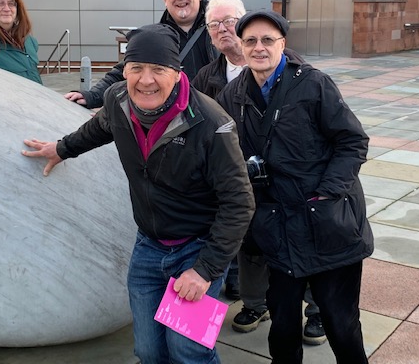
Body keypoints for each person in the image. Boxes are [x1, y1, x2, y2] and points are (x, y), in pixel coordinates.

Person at [22, 23, 255, 364]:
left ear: (176, 73)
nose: (146, 80)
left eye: (158, 69)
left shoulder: (211, 123)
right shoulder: (118, 100)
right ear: (125, 71)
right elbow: (98, 128)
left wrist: (205, 270)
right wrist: (61, 149)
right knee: (148, 351)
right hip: (148, 246)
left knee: (189, 352)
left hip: (197, 249)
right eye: (136, 68)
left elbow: (240, 203)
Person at [216, 9, 373, 363]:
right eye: (250, 40)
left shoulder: (314, 84)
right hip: (276, 229)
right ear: (241, 46)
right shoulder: (232, 94)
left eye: (267, 40)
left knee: (341, 324)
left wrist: (328, 193)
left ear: (283, 44)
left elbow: (353, 141)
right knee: (283, 327)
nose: (259, 47)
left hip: (327, 225)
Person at [194, 0, 325, 341]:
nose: (222, 29)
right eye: (214, 25)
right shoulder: (209, 77)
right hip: (245, 182)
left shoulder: (301, 75)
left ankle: (317, 310)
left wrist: (327, 186)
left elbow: (339, 135)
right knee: (251, 247)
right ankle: (256, 303)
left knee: (303, 246)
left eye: (229, 21)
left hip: (295, 182)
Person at [64, 0, 216, 108]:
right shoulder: (157, 37)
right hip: (176, 118)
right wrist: (93, 96)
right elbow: (126, 70)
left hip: (216, 114)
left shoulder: (221, 29)